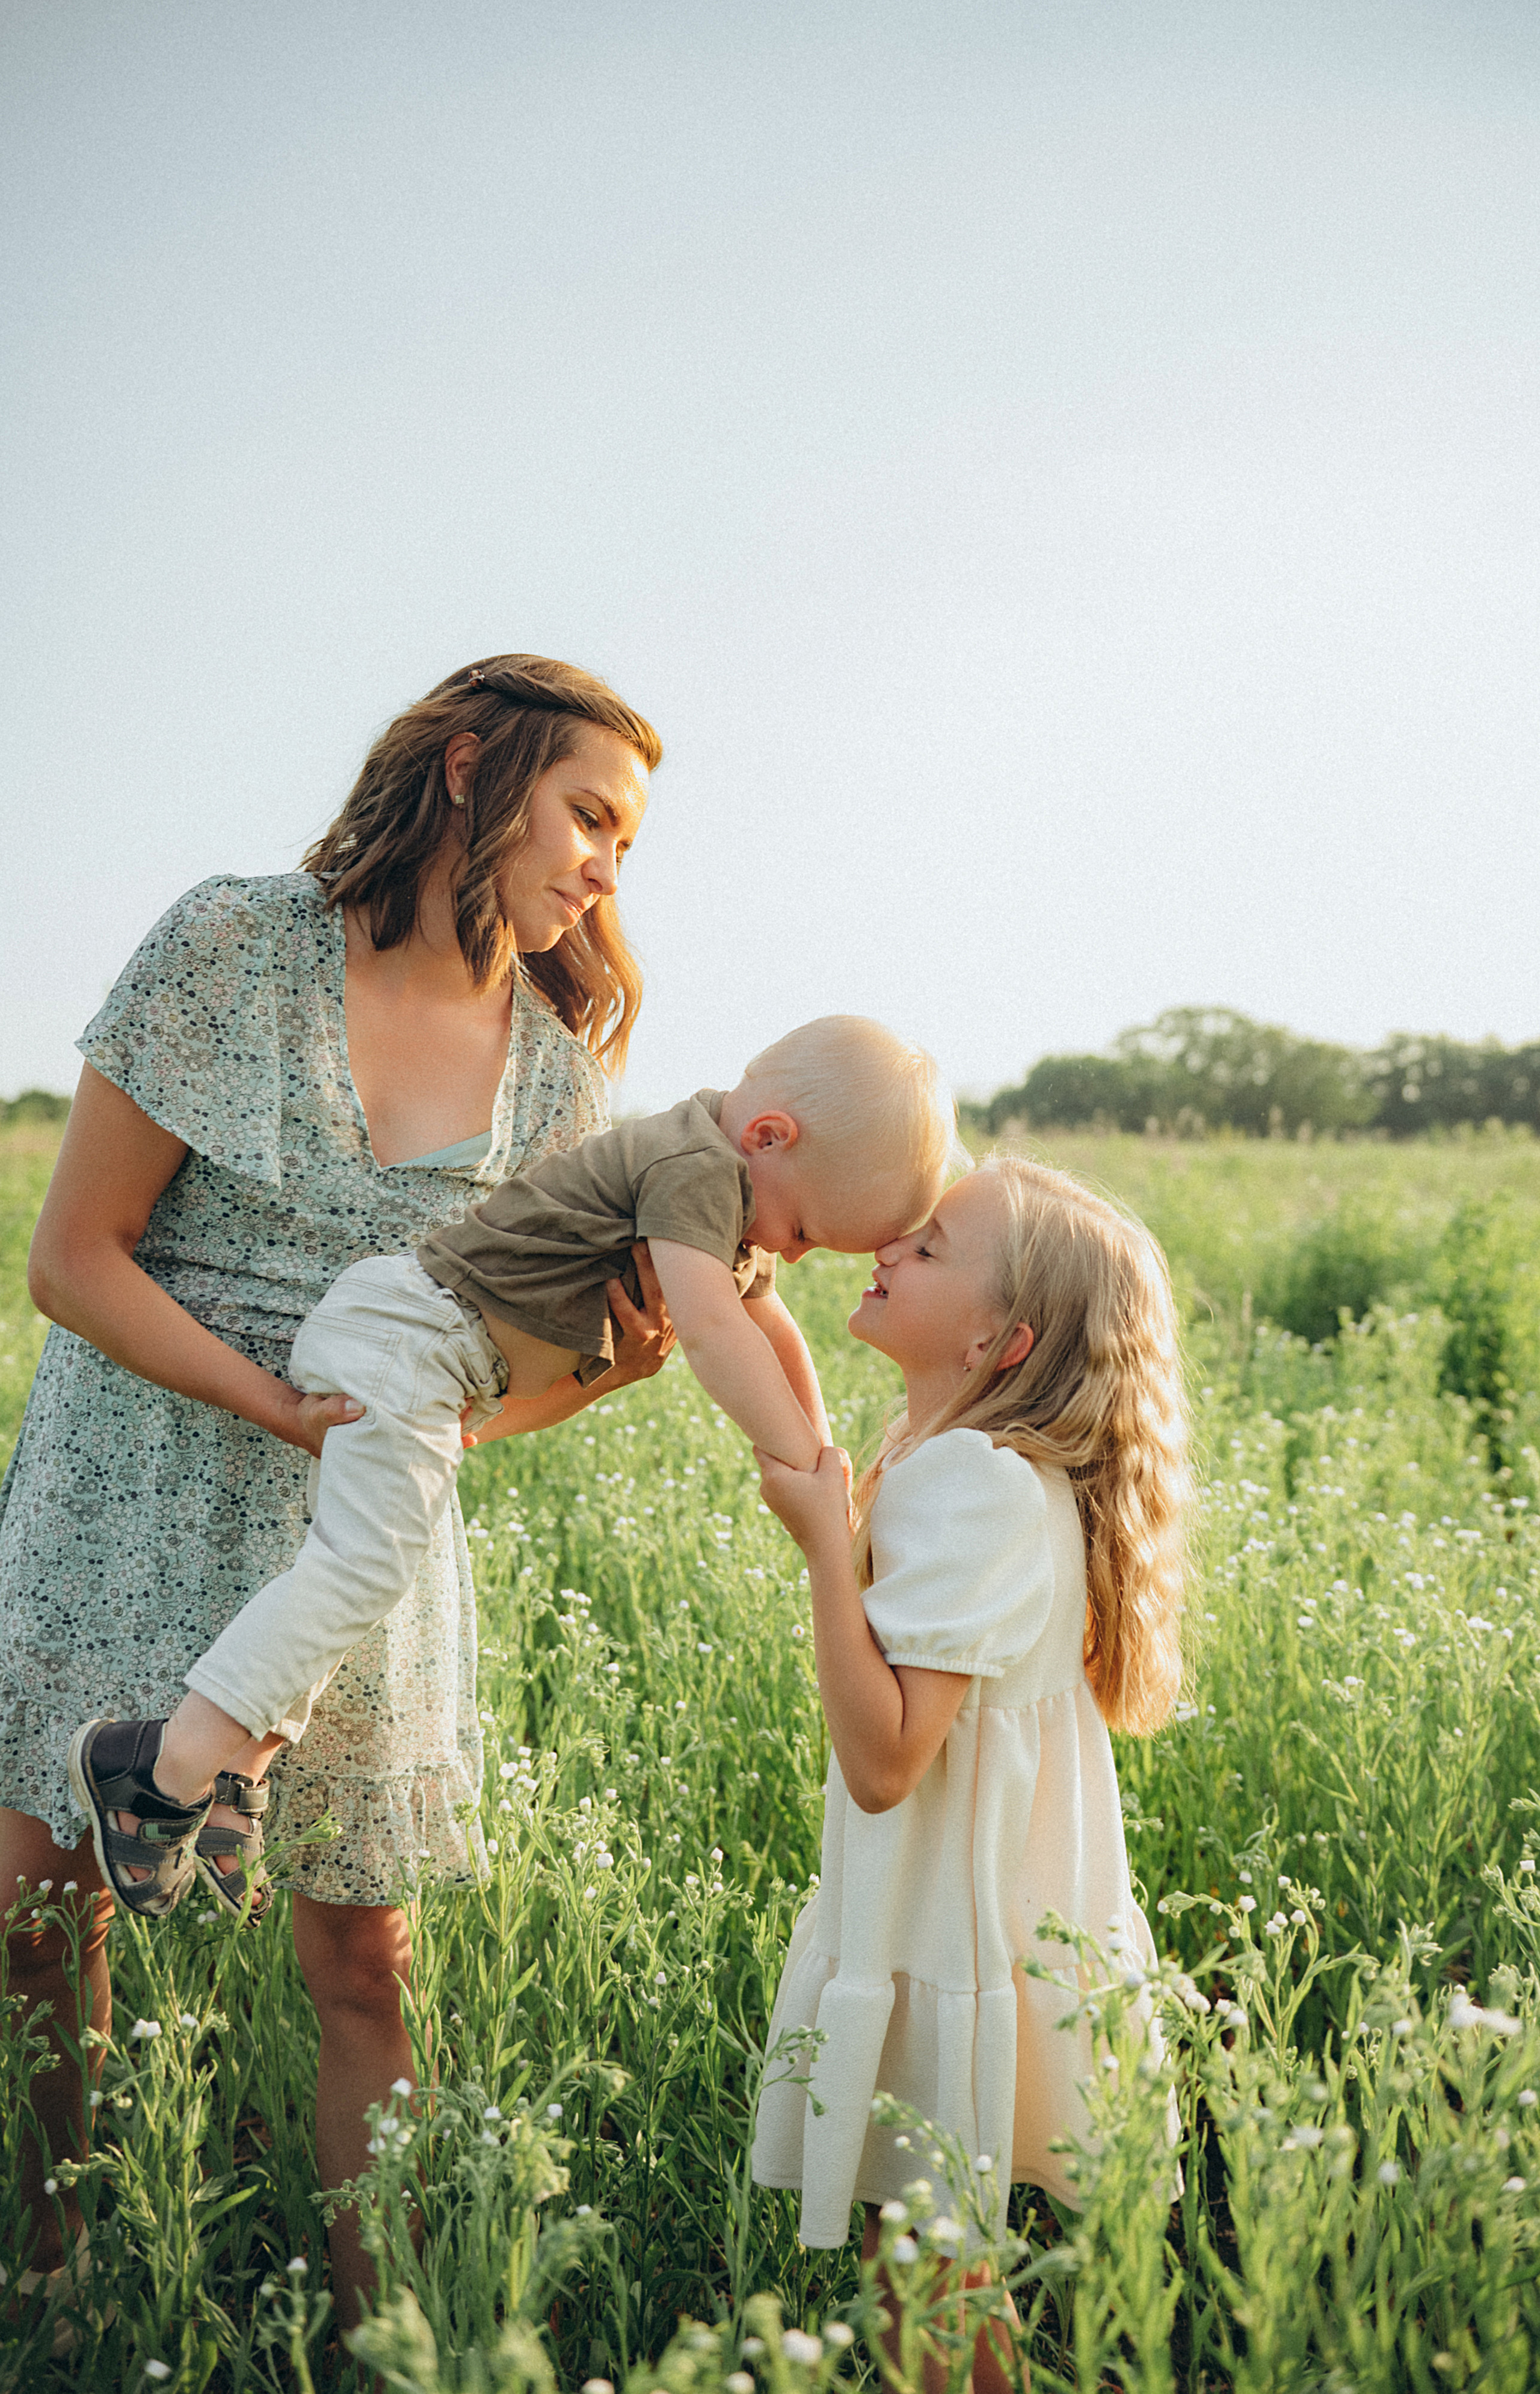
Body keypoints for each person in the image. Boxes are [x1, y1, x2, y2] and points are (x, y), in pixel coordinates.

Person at [0, 654, 677, 2325]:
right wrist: (270, 1401)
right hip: (130, 1471)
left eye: (627, 842)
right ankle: (56, 2268)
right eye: (589, 811)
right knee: (36, 1906)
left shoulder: (555, 1083)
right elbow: (73, 1261)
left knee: (363, 1954)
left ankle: (385, 2328)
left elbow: (463, 1400)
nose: (604, 861)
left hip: (354, 1543)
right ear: (471, 766)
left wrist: (604, 1375)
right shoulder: (232, 944)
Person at [69, 1017, 955, 1916]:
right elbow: (719, 1330)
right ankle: (154, 1767)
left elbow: (771, 1322)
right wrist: (797, 1459)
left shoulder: (731, 1190)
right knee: (363, 1564)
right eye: (802, 1229)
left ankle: (235, 1767)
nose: (791, 1256)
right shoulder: (701, 1170)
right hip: (409, 1337)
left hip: (424, 1350)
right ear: (768, 1138)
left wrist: (826, 1460)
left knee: (361, 1573)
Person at [750, 1155, 1191, 2393]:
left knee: (926, 2283)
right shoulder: (984, 1467)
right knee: (938, 2270)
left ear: (1004, 1338)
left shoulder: (970, 1483)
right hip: (985, 1927)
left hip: (942, 1931)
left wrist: (823, 1557)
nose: (886, 1247)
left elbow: (886, 1759)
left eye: (929, 1247)